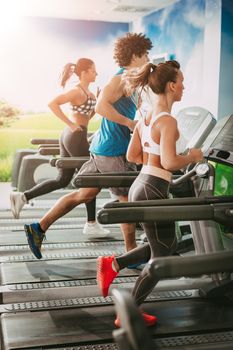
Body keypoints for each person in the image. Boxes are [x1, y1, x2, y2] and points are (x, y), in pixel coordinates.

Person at [23, 32, 153, 260]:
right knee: (125, 201)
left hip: (102, 149)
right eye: (146, 54)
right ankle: (131, 253)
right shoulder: (120, 78)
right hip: (113, 151)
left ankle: (38, 227)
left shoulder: (128, 81)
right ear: (135, 55)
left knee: (84, 193)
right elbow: (102, 108)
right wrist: (129, 123)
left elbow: (113, 106)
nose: (148, 58)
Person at [96, 60, 204, 327]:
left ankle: (114, 264)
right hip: (153, 188)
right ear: (171, 85)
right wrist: (191, 156)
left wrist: (154, 157)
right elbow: (169, 163)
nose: (183, 87)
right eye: (181, 82)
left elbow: (133, 155)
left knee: (162, 244)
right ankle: (128, 313)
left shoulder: (145, 116)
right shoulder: (167, 120)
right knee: (163, 255)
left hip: (140, 185)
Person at [10, 58, 110, 238]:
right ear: (85, 72)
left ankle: (23, 197)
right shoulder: (76, 91)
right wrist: (71, 124)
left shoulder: (88, 92)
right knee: (90, 178)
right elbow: (52, 104)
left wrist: (99, 98)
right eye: (94, 71)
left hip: (72, 135)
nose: (96, 74)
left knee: (62, 180)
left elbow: (89, 114)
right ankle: (91, 223)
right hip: (74, 135)